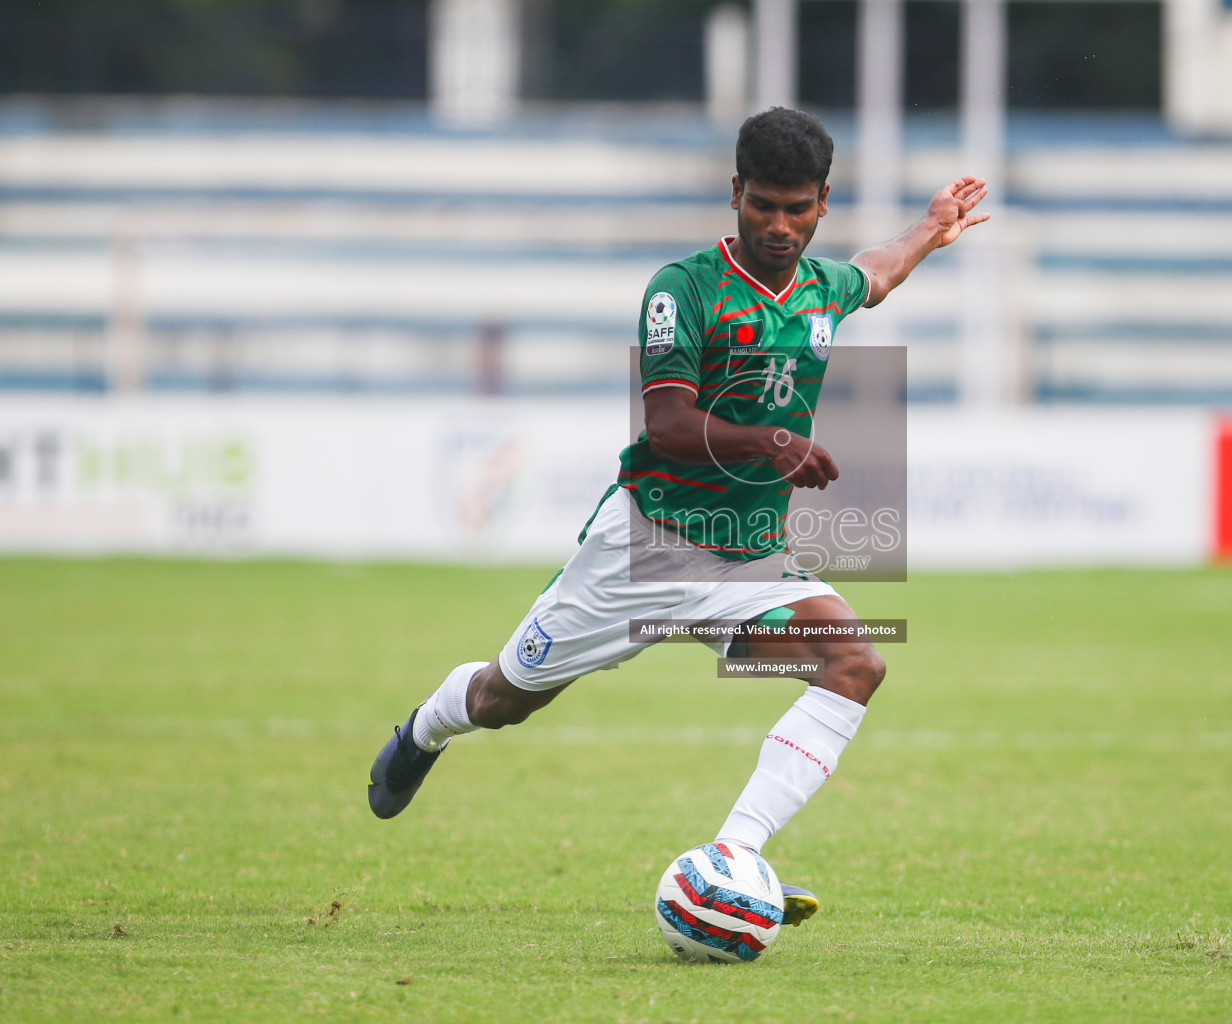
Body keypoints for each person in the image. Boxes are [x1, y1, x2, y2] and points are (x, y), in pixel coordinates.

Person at [366, 107, 989, 931]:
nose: (778, 224)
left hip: (748, 563)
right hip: (642, 555)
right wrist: (770, 442)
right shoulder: (683, 288)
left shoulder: (819, 289)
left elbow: (875, 272)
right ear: (735, 193)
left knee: (856, 663)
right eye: (762, 204)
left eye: (796, 208)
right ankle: (426, 728)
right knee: (506, 697)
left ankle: (734, 857)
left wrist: (930, 228)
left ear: (822, 204)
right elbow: (667, 422)